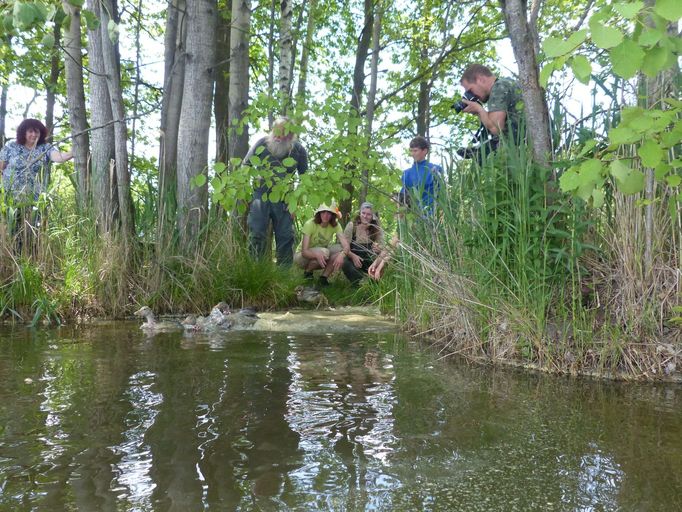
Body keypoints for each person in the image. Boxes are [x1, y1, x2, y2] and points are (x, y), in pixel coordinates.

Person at [245, 117, 308, 266]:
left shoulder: (298, 150)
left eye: (284, 133)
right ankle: (255, 270)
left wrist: (295, 202)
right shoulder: (261, 143)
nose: (279, 137)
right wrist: (248, 195)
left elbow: (305, 180)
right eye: (277, 132)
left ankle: (283, 277)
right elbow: (245, 166)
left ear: (291, 135)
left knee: (286, 236)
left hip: (286, 199)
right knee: (257, 233)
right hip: (260, 195)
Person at [0, 118, 73, 203]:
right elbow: (1, 168)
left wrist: (73, 152)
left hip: (36, 199)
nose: (34, 134)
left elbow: (59, 157)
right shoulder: (11, 147)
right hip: (10, 196)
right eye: (30, 131)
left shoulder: (45, 148)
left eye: (37, 132)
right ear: (24, 132)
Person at [459, 64, 524, 154]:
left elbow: (496, 128)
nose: (472, 96)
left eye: (470, 91)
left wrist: (479, 110)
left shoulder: (498, 87)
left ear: (481, 79)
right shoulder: (507, 83)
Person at [294, 204, 361, 287]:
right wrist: (316, 254)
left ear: (333, 215)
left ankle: (323, 279)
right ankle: (308, 273)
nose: (326, 215)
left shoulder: (335, 225)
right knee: (324, 252)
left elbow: (346, 246)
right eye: (323, 212)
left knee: (339, 249)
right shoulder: (310, 224)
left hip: (321, 253)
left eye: (329, 213)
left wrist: (342, 255)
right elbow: (304, 251)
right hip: (301, 257)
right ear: (319, 213)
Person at [340, 202, 384, 285]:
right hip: (353, 259)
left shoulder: (377, 229)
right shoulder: (351, 226)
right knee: (343, 261)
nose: (365, 216)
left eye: (368, 214)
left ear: (373, 217)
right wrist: (353, 256)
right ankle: (360, 282)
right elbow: (344, 247)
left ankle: (373, 282)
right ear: (359, 213)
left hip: (369, 259)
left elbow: (382, 247)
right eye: (363, 213)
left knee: (382, 262)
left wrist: (379, 249)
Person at [399, 136, 443, 213]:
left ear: (425, 151)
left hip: (433, 213)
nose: (412, 154)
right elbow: (403, 197)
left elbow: (442, 193)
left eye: (415, 151)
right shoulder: (406, 174)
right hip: (414, 214)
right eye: (411, 151)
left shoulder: (435, 169)